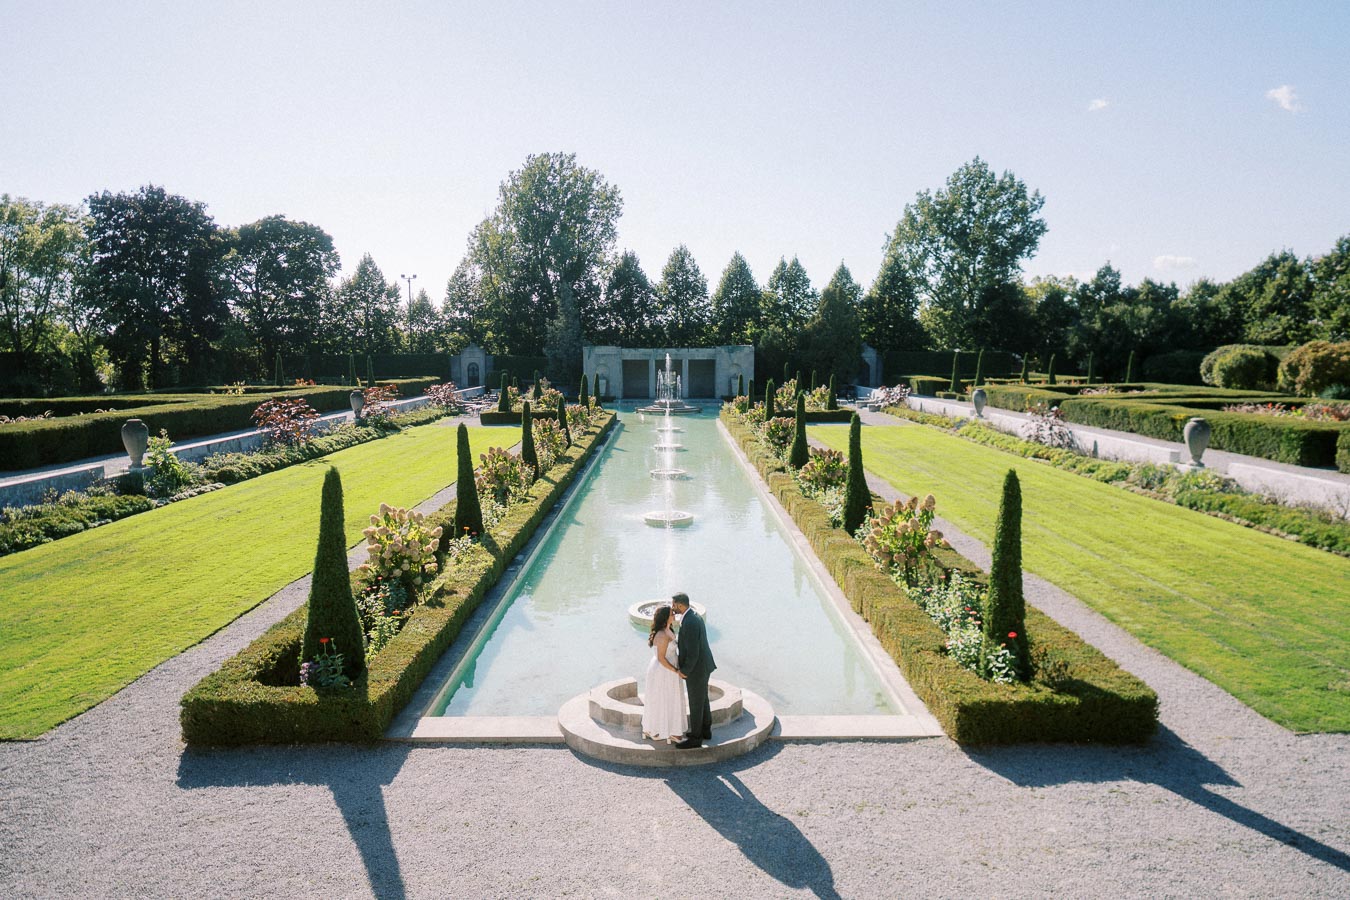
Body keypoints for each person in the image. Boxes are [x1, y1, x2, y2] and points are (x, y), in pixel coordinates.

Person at [671, 592, 716, 749]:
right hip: (704, 666)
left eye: (674, 605)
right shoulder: (693, 616)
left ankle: (696, 738)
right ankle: (705, 730)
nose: (673, 608)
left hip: (697, 669)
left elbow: (693, 652)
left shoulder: (689, 622)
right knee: (702, 698)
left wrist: (685, 671)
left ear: (680, 605)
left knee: (696, 702)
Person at [641, 605, 688, 743]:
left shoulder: (669, 629)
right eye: (671, 614)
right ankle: (657, 730)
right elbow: (661, 658)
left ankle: (670, 730)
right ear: (665, 617)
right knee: (662, 698)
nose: (674, 615)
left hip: (669, 668)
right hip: (664, 670)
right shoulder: (661, 634)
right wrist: (675, 670)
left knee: (670, 698)